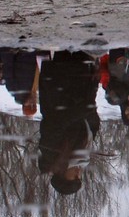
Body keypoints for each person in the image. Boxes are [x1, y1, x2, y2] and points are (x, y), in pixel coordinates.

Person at [36, 49, 100, 196]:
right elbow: (91, 123)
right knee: (83, 41)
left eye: (75, 178)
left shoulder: (51, 153)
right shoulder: (82, 155)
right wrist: (93, 85)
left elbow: (55, 123)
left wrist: (83, 110)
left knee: (66, 39)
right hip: (82, 82)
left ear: (62, 175)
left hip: (60, 83)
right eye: (80, 178)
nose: (79, 174)